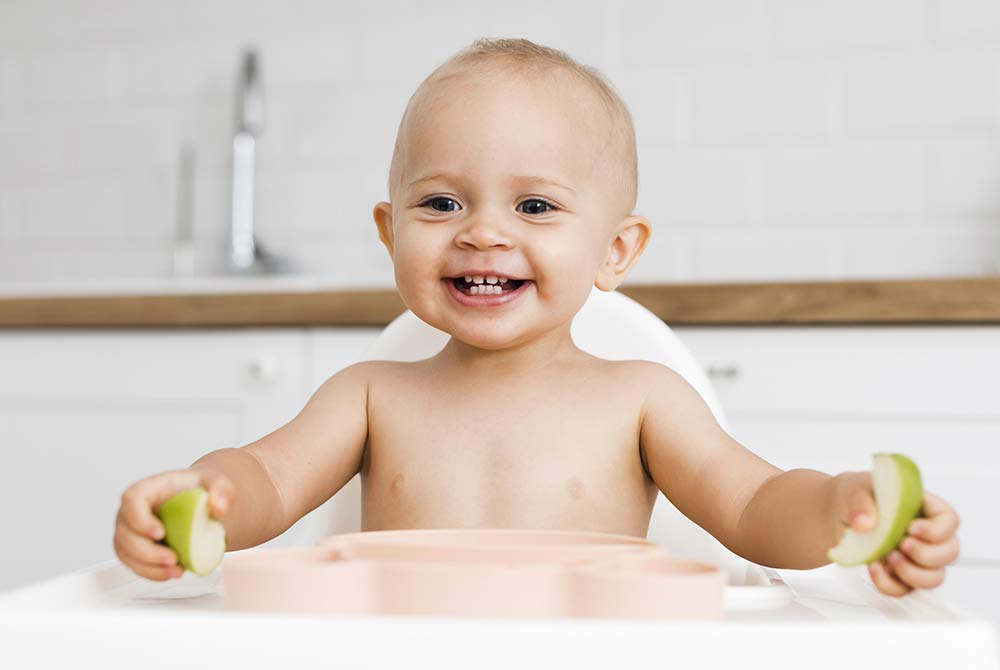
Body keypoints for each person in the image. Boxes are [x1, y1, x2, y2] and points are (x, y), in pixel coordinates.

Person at [113, 38, 959, 597]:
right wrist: (205, 495)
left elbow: (759, 507)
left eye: (535, 206)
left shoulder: (642, 400)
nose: (484, 231)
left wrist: (847, 512)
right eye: (442, 202)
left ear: (615, 252)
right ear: (391, 233)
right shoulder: (369, 396)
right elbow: (264, 480)